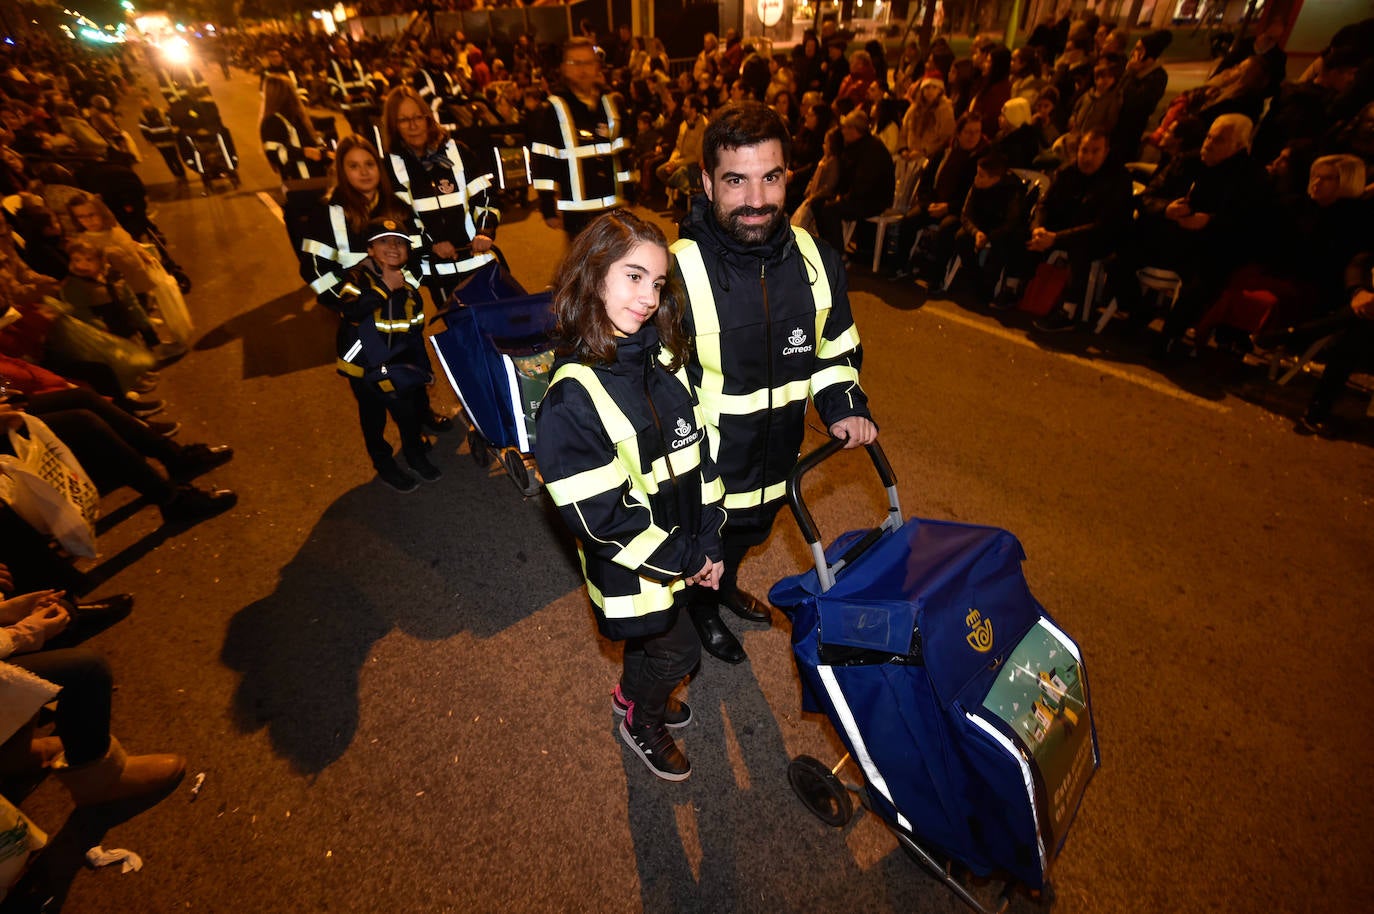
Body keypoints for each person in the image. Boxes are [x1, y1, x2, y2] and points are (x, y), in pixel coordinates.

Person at [672, 102, 877, 663]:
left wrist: (842, 402)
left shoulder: (816, 258)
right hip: (706, 474)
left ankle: (726, 585)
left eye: (771, 177)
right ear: (708, 184)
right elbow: (659, 396)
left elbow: (834, 345)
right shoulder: (677, 275)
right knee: (710, 547)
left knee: (748, 537)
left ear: (790, 176)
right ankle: (702, 610)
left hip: (777, 457)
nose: (757, 200)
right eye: (736, 181)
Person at [534, 210, 725, 782]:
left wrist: (710, 533)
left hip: (683, 549)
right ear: (594, 277)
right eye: (633, 277)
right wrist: (691, 559)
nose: (648, 298)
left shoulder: (660, 360)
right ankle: (641, 718)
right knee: (679, 652)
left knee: (655, 645)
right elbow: (604, 522)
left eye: (658, 283)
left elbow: (698, 456)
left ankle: (635, 694)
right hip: (637, 568)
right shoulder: (572, 399)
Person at [331, 216, 440, 492]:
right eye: (384, 241)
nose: (393, 246)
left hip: (396, 367)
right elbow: (350, 310)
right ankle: (383, 463)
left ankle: (414, 455)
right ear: (370, 249)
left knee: (409, 413)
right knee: (373, 417)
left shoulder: (409, 290)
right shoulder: (357, 276)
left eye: (400, 243)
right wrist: (383, 288)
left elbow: (415, 336)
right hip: (363, 368)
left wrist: (425, 371)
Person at [381, 86, 497, 305]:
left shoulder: (457, 151)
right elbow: (399, 220)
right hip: (437, 271)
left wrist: (485, 230)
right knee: (458, 330)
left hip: (478, 260)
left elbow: (485, 195)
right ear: (394, 126)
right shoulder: (391, 167)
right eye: (404, 120)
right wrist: (430, 245)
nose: (414, 125)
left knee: (494, 327)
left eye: (418, 117)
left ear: (428, 118)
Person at [529, 38, 634, 239]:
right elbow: (543, 159)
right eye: (575, 63)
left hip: (613, 207)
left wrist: (629, 192)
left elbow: (622, 152)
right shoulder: (553, 108)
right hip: (577, 213)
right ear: (564, 68)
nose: (582, 69)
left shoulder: (611, 104)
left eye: (587, 62)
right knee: (584, 267)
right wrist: (548, 207)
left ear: (597, 66)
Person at [260, 73, 333, 251]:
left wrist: (324, 153)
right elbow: (274, 153)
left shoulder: (297, 117)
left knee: (328, 235)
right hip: (300, 188)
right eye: (289, 90)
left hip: (318, 184)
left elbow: (313, 144)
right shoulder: (273, 121)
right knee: (311, 239)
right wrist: (304, 152)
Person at [813, 109, 897, 258]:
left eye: (845, 128)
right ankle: (826, 246)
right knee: (817, 202)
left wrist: (843, 198)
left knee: (830, 210)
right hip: (856, 195)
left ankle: (837, 255)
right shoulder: (853, 146)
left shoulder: (873, 149)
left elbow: (865, 184)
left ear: (854, 130)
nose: (842, 131)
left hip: (873, 200)